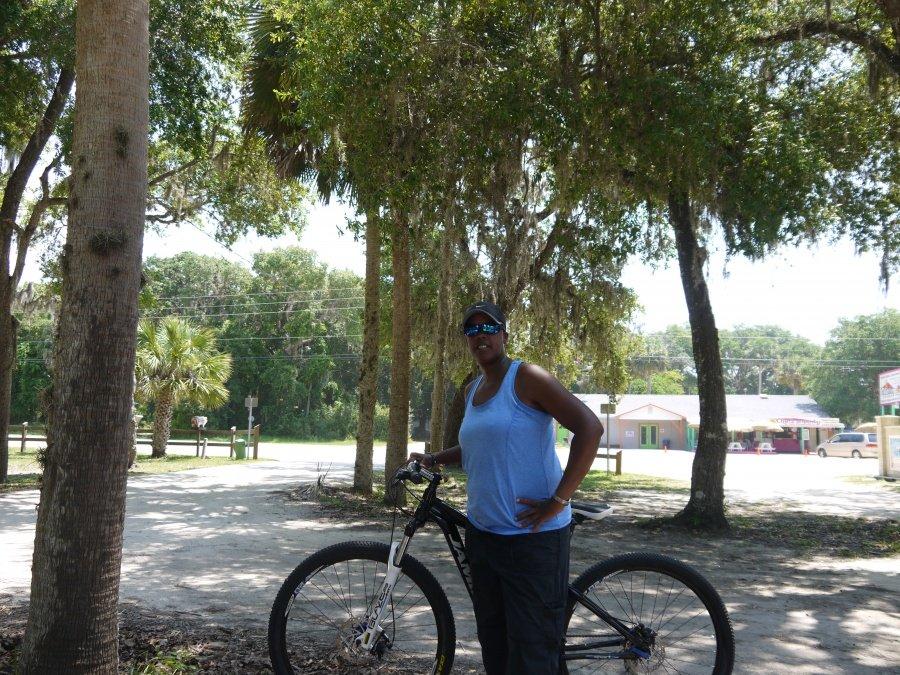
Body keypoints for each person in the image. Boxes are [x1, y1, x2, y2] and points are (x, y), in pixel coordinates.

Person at [410, 300, 603, 675]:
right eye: (471, 330)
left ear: (503, 334)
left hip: (532, 539)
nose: (480, 336)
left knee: (533, 653)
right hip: (484, 539)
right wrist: (433, 458)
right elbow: (475, 451)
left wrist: (559, 499)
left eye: (488, 328)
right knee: (496, 648)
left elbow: (589, 428)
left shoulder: (527, 377)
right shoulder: (473, 390)